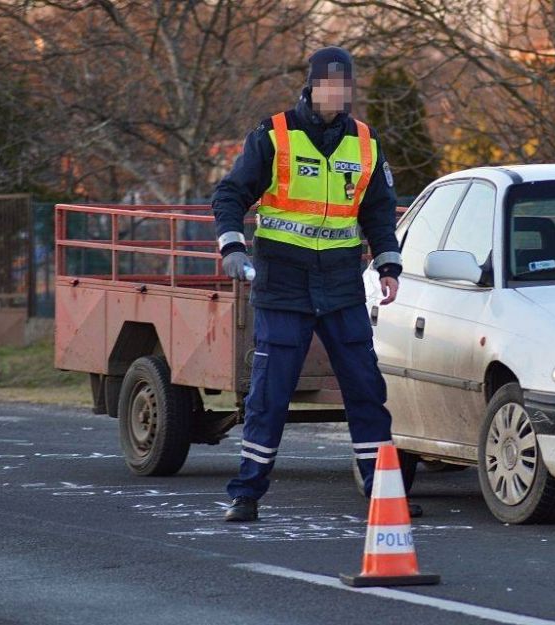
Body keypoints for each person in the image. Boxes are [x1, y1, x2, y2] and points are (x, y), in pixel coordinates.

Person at [212, 46, 405, 522]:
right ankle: (247, 494)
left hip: (340, 287)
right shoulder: (274, 133)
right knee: (270, 395)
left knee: (365, 389)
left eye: (345, 85)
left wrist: (388, 266)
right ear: (313, 85)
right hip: (283, 286)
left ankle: (384, 492)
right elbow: (231, 193)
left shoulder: (365, 141)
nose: (337, 93)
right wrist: (232, 247)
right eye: (329, 84)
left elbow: (378, 211)